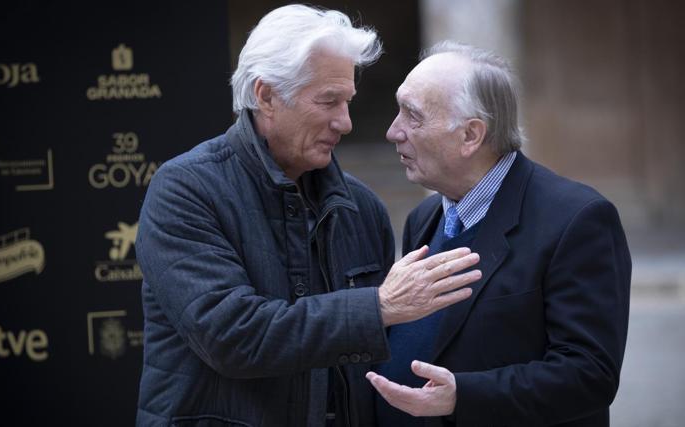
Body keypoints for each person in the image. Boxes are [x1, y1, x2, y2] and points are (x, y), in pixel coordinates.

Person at [134, 6, 482, 427]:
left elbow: (376, 361)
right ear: (265, 96)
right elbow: (232, 337)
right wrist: (380, 306)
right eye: (328, 101)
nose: (346, 122)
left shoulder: (363, 206)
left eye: (348, 101)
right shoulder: (186, 190)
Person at [366, 41, 632, 426]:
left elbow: (589, 374)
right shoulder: (424, 218)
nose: (393, 131)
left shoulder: (577, 219)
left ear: (471, 136)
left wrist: (462, 396)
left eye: (413, 116)